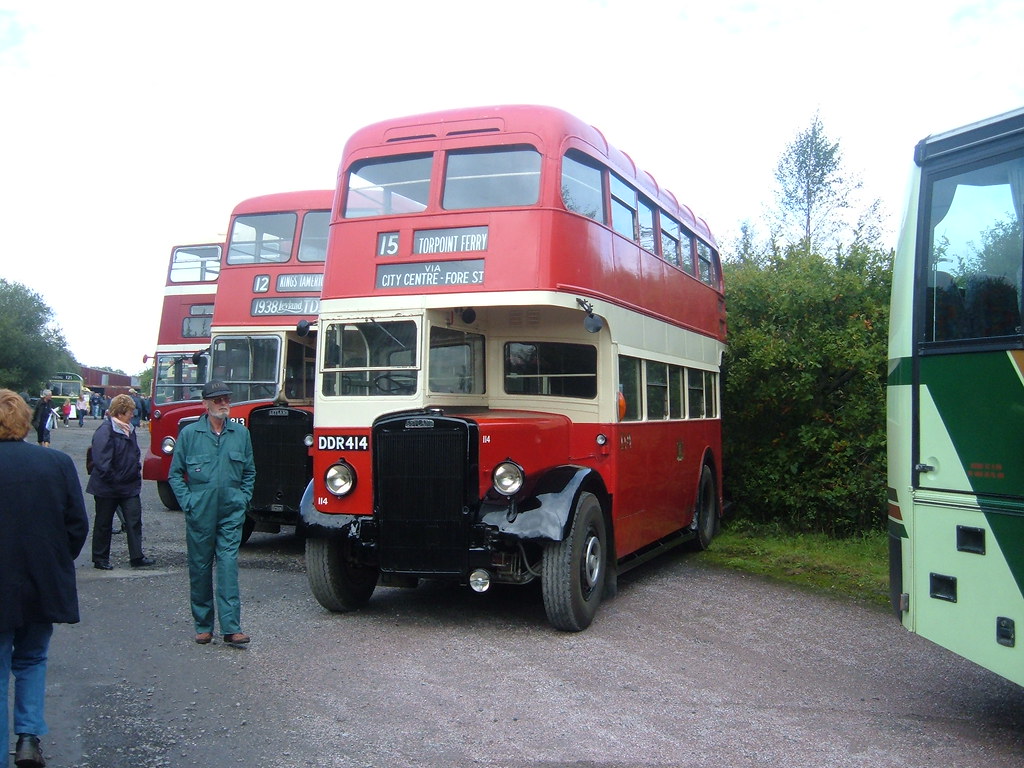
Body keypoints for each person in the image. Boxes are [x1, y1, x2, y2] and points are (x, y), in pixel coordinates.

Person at [0, 388, 89, 768]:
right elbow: (77, 525)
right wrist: (53, 561)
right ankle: (28, 738)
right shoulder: (56, 463)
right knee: (33, 658)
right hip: (41, 578)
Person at [168, 381, 255, 646]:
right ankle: (203, 625)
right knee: (200, 567)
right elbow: (175, 474)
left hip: (231, 509)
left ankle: (231, 627)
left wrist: (242, 499)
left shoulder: (240, 434)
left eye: (226, 398)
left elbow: (250, 472)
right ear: (205, 403)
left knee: (228, 565)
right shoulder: (190, 434)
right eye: (217, 400)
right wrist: (189, 503)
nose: (223, 403)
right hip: (201, 510)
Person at [87, 394, 153, 570]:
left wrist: (134, 473)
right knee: (103, 522)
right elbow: (102, 461)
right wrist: (115, 479)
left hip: (128, 486)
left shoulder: (128, 429)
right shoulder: (105, 431)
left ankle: (137, 556)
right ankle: (100, 559)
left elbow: (133, 454)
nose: (133, 414)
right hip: (107, 487)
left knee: (134, 520)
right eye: (130, 411)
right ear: (121, 412)